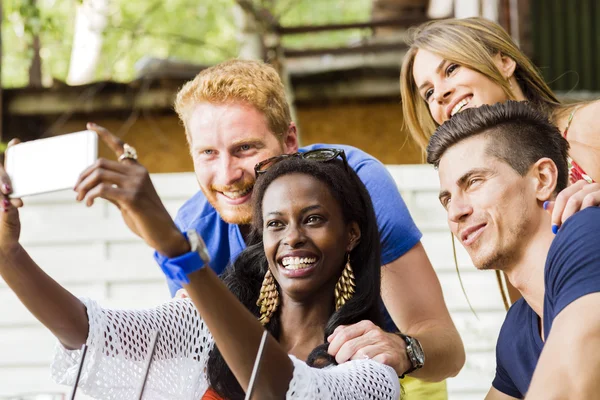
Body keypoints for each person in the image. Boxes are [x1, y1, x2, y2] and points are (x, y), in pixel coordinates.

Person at [63, 58, 462, 396]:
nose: (227, 175)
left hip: (394, 378)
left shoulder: (355, 186)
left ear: (290, 140)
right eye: (207, 153)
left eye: (245, 149)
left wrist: (404, 349)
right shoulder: (194, 227)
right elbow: (207, 357)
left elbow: (445, 347)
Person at [0, 137, 401, 398]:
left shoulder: (371, 373)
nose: (292, 237)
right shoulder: (207, 324)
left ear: (351, 235)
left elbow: (285, 390)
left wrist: (176, 248)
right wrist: (9, 256)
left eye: (313, 219)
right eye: (276, 224)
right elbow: (94, 334)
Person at [400, 16, 600, 304]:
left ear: (504, 62)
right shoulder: (488, 198)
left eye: (452, 69)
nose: (441, 94)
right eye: (428, 93)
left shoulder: (589, 125)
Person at [427, 100, 600, 399]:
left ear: (543, 179)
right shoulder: (518, 329)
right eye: (446, 199)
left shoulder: (588, 232)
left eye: (474, 182)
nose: (455, 212)